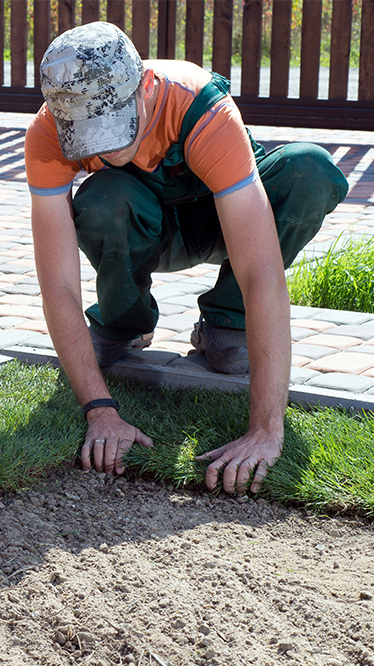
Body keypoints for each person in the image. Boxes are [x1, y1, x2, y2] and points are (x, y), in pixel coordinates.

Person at [24, 22, 348, 494]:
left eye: (115, 129)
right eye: (90, 137)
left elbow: (261, 272)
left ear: (144, 87)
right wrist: (100, 410)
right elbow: (58, 285)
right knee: (104, 197)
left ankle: (227, 324)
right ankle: (122, 323)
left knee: (310, 170)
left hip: (226, 220)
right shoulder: (49, 133)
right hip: (149, 227)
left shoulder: (201, 107)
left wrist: (265, 430)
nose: (107, 148)